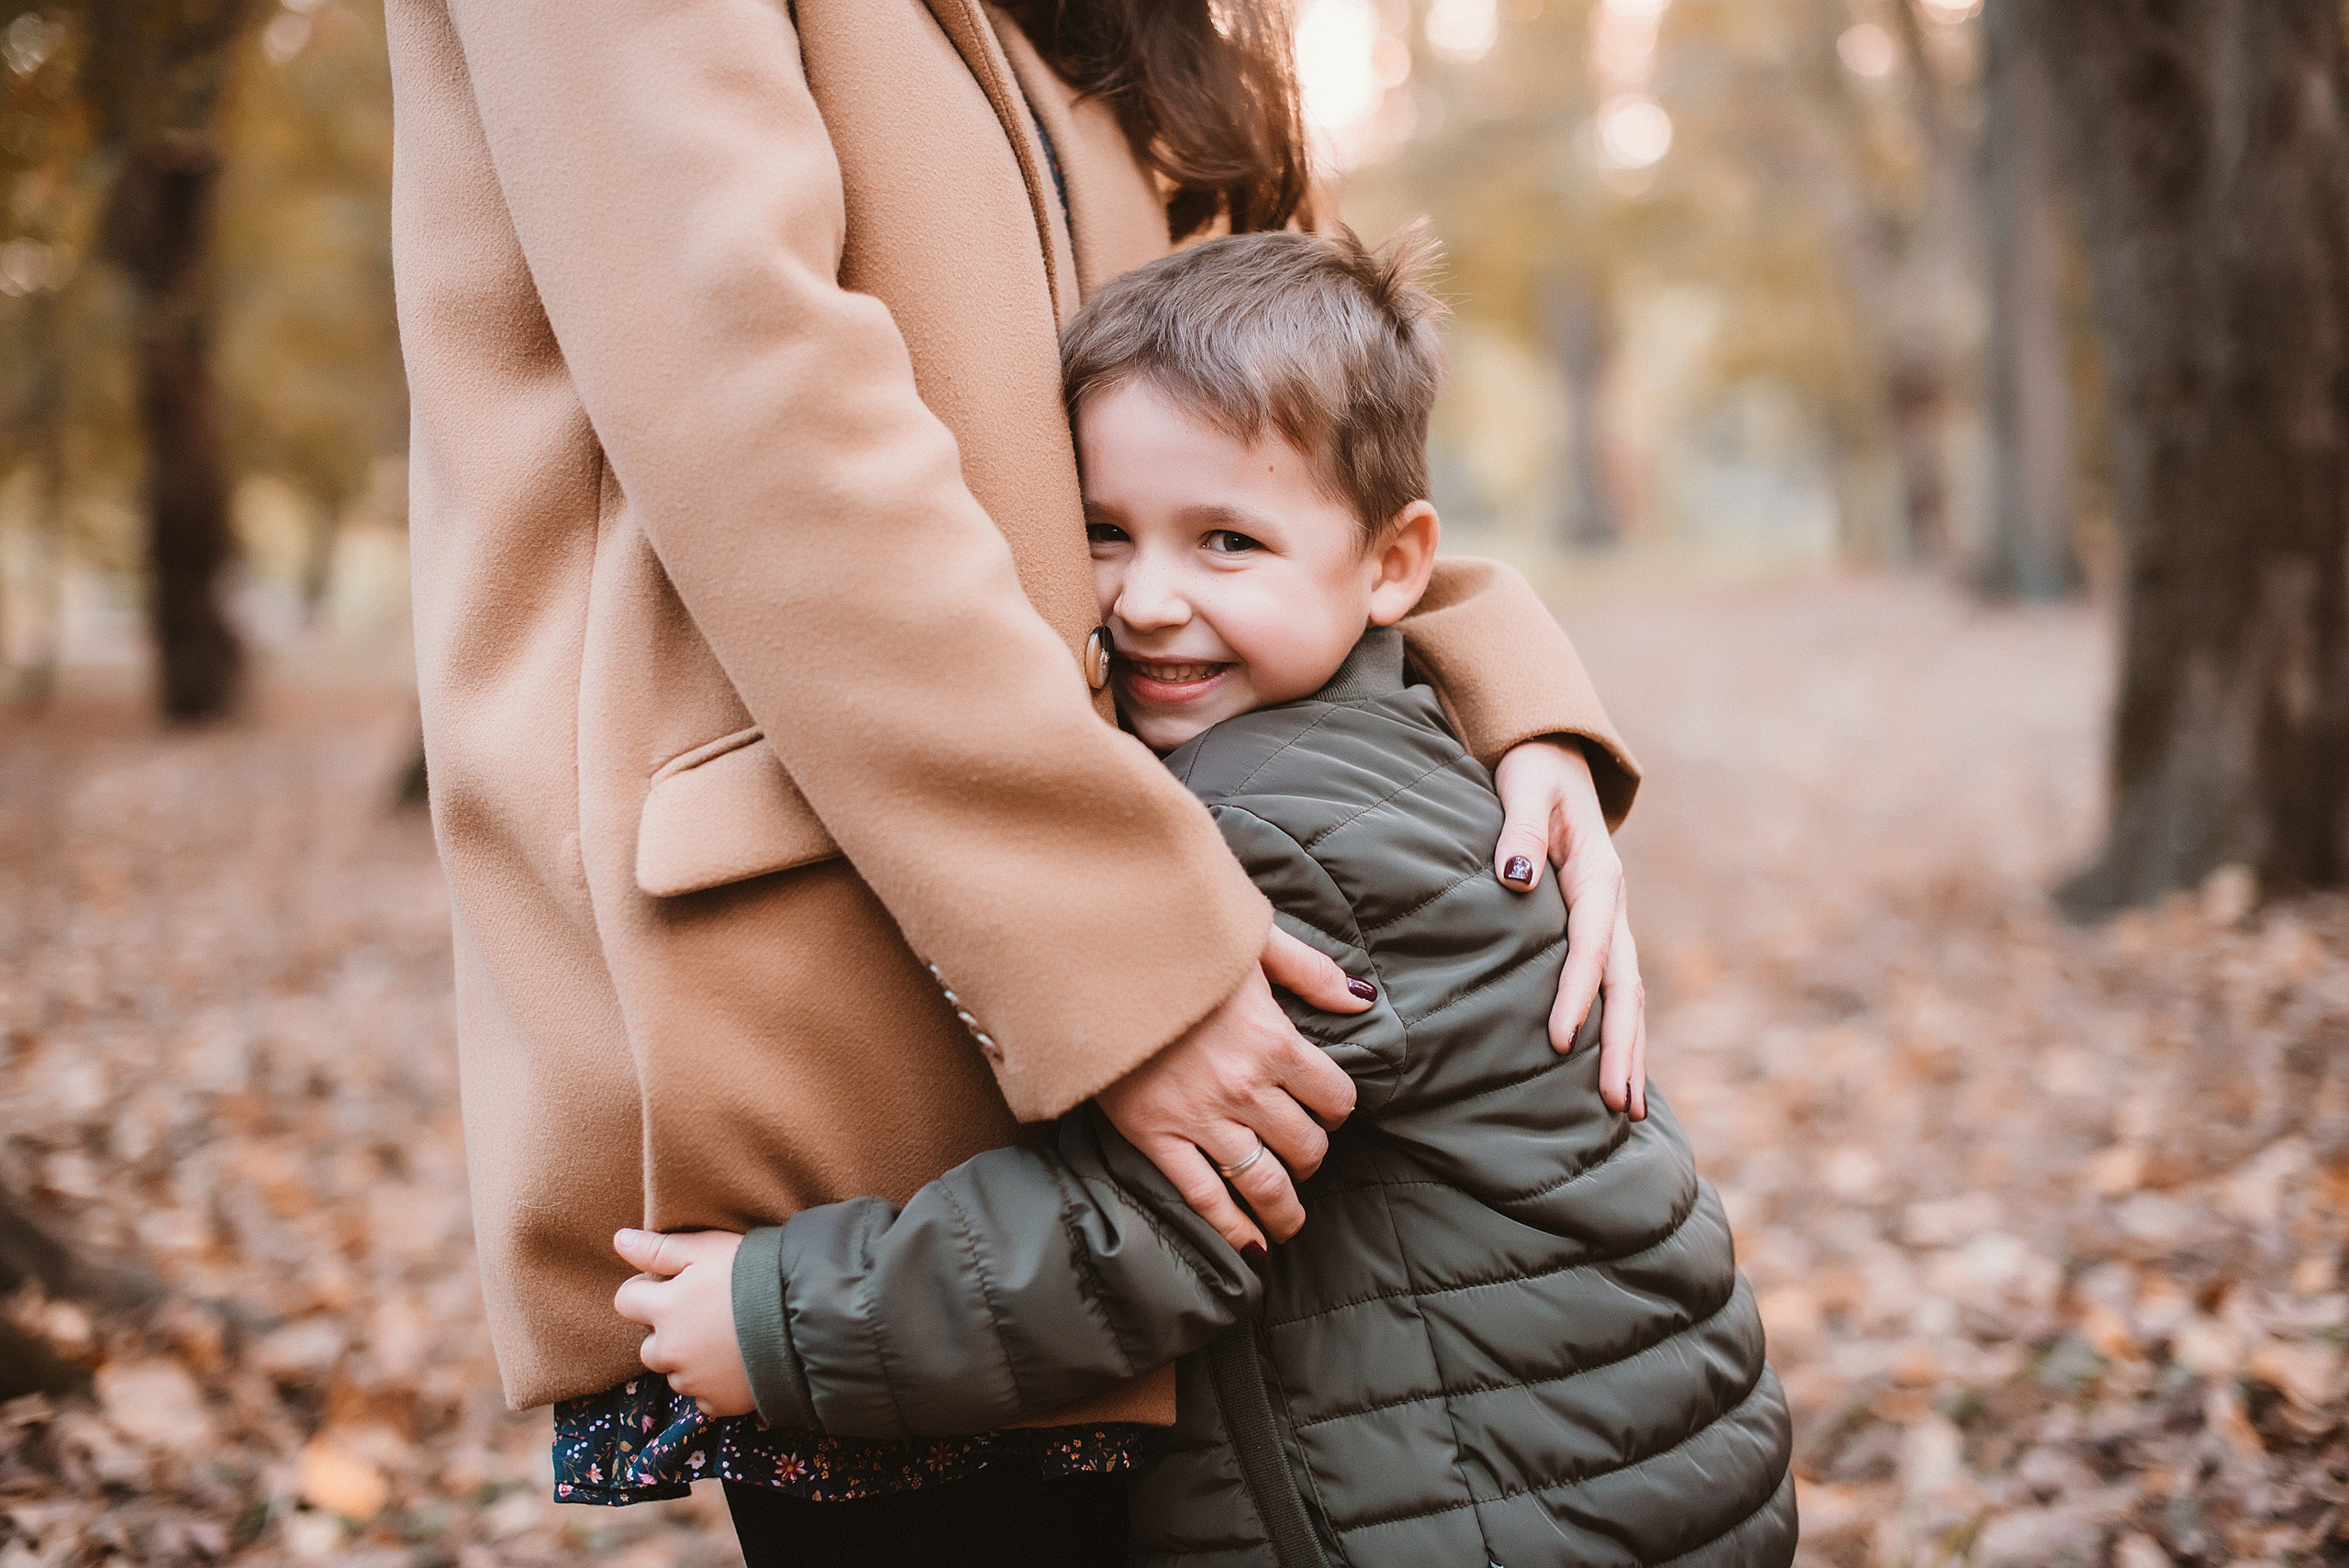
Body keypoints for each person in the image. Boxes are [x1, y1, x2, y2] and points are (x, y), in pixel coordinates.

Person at [388, 1, 1645, 1560]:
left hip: (1162, 932)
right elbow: (745, 378)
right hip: (871, 965)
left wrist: (1503, 699)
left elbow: (1308, 379)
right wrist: (1117, 958)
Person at [599, 230, 1796, 1567]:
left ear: (1394, 564)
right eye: (1104, 534)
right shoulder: (1385, 732)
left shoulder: (1283, 832)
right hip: (1593, 1464)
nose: (1151, 600)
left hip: (1506, 1509)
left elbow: (1150, 1227)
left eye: (1228, 541)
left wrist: (777, 1317)